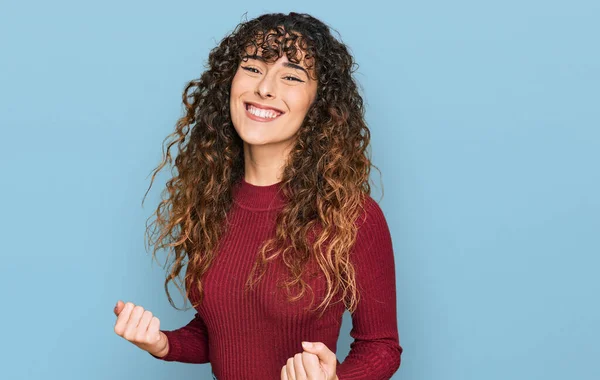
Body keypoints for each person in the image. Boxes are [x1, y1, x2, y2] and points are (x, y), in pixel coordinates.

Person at [113, 12, 402, 380]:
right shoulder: (209, 203)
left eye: (292, 76)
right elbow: (223, 331)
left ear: (319, 103)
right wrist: (162, 343)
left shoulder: (351, 216)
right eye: (252, 68)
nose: (265, 88)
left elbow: (381, 347)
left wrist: (336, 379)